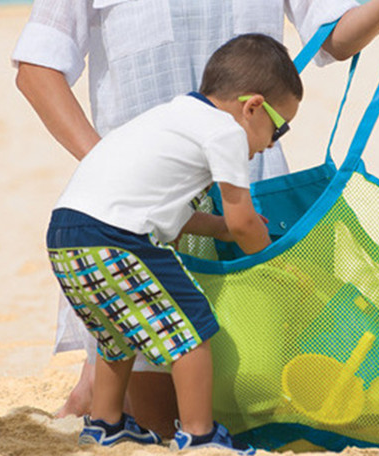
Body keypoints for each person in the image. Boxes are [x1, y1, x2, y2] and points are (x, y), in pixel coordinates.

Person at [12, 0, 379, 435]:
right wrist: (114, 169)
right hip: (144, 232)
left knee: (261, 413)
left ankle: (103, 382)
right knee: (157, 418)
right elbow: (38, 68)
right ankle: (101, 381)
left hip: (250, 215)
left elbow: (336, 35)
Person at [46, 33, 302, 448]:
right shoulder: (227, 132)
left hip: (67, 235)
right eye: (279, 128)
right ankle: (200, 434)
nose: (272, 143)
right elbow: (243, 223)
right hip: (116, 238)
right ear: (253, 107)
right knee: (192, 328)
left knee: (117, 332)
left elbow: (175, 217)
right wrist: (270, 259)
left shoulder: (176, 115)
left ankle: (106, 423)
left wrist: (217, 226)